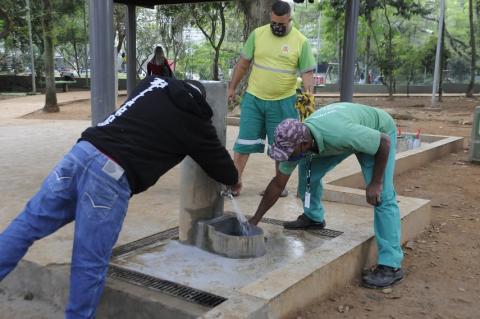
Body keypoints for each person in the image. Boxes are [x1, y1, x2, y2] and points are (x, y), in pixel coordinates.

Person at [0, 77, 240, 318]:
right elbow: (220, 165)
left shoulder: (153, 84)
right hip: (109, 177)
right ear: (202, 102)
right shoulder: (195, 121)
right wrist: (234, 180)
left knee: (27, 225)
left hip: (79, 155)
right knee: (89, 261)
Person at [249, 102, 404, 289]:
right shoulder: (297, 142)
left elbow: (383, 142)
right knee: (307, 170)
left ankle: (391, 265)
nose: (286, 158)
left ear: (304, 143)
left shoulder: (338, 134)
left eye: (288, 153)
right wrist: (254, 221)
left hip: (378, 133)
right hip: (348, 134)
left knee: (382, 197)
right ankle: (313, 217)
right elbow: (277, 184)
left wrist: (376, 182)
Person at [227, 0, 316, 197]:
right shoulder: (257, 35)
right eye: (274, 22)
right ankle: (235, 182)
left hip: (284, 101)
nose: (277, 27)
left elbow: (308, 72)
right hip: (254, 99)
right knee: (244, 142)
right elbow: (243, 63)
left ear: (290, 19)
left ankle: (279, 185)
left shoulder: (300, 41)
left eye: (281, 24)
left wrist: (309, 96)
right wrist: (231, 87)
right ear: (270, 17)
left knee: (282, 145)